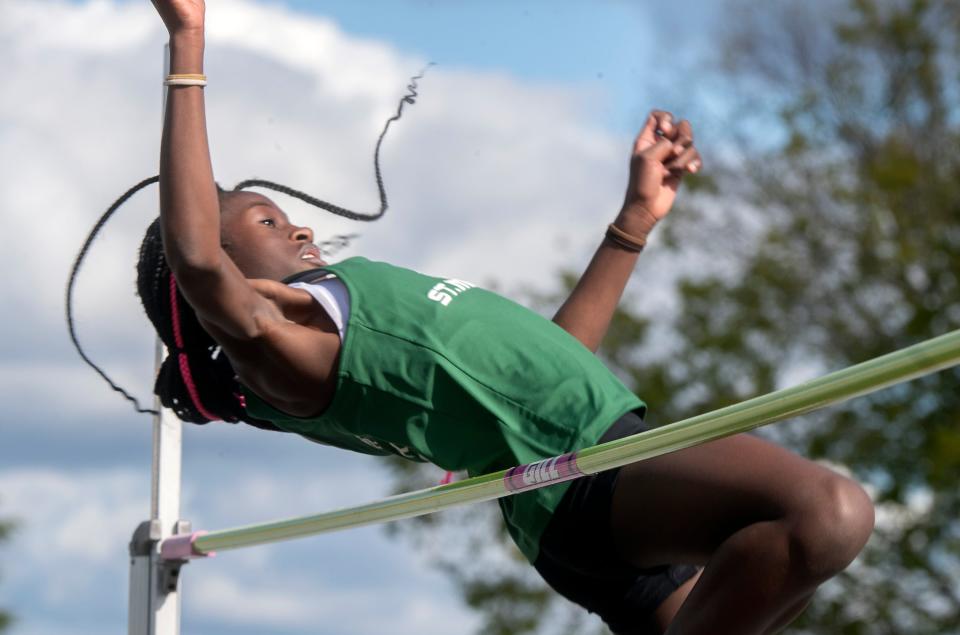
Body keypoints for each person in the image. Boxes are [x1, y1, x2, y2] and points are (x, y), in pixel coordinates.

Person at [140, 1, 875, 633]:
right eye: (268, 222)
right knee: (829, 513)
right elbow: (199, 258)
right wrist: (189, 40)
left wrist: (632, 224)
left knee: (785, 563)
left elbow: (549, 365)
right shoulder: (285, 354)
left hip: (572, 479)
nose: (299, 230)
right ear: (220, 283)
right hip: (589, 474)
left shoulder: (348, 309)